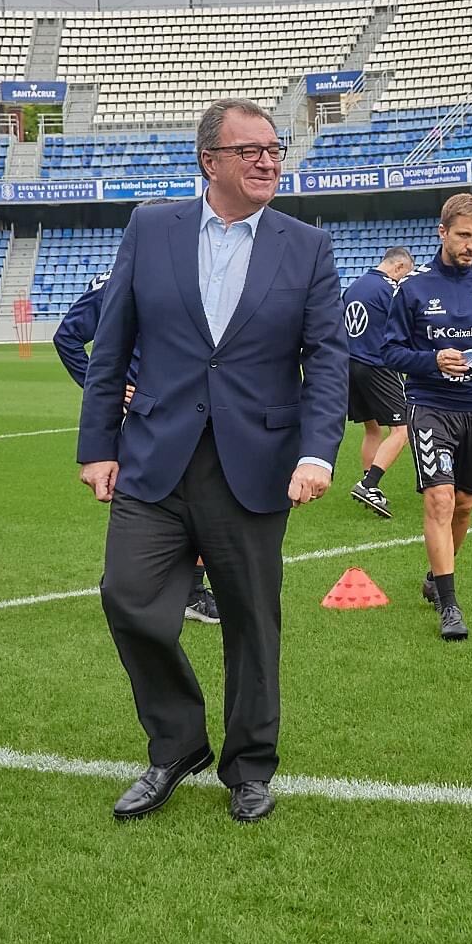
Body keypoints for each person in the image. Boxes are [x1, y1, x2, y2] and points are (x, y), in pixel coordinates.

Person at [77, 98, 347, 824]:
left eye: (274, 148)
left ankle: (250, 765)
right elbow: (112, 343)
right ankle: (177, 742)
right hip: (154, 459)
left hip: (255, 463)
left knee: (251, 622)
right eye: (250, 149)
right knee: (128, 598)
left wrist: (319, 450)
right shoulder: (150, 226)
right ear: (210, 161)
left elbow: (326, 362)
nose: (268, 160)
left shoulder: (308, 246)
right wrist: (97, 444)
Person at [381, 193, 472, 641]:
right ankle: (450, 603)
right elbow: (389, 350)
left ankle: (433, 578)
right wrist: (433, 361)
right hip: (430, 406)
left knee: (463, 504)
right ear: (442, 232)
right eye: (463, 235)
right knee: (439, 500)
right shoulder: (414, 287)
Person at [57, 254, 220, 625]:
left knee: (184, 494)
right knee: (182, 495)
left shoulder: (172, 270)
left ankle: (173, 589)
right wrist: (110, 389)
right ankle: (181, 592)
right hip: (155, 409)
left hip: (182, 402)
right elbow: (66, 337)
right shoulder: (126, 277)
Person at [344, 246, 416, 520]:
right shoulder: (390, 289)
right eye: (405, 274)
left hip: (352, 364)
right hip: (378, 364)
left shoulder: (355, 286)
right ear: (398, 267)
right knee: (402, 430)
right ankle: (369, 483)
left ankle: (370, 487)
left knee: (372, 429)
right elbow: (403, 329)